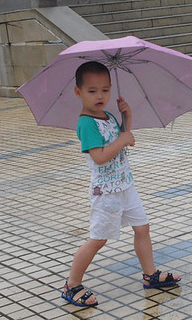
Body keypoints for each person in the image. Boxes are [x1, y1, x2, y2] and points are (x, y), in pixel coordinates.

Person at [61, 61, 180, 307]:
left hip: (126, 186)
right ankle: (72, 285)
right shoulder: (86, 123)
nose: (100, 96)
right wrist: (124, 138)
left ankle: (150, 274)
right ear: (78, 92)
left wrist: (127, 118)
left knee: (142, 227)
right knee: (98, 239)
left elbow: (119, 140)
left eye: (105, 90)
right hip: (106, 193)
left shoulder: (109, 116)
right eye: (92, 91)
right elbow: (101, 156)